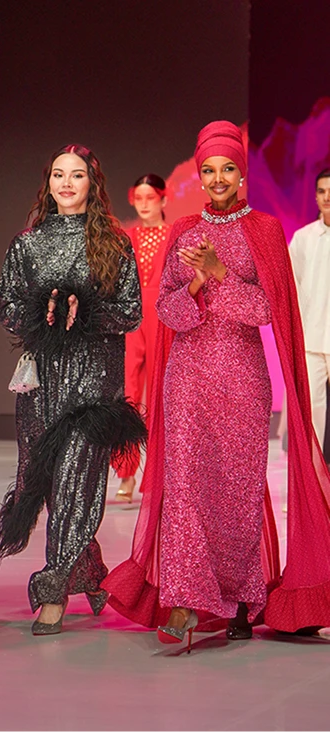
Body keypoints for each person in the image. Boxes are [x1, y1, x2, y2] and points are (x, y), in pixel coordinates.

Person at [104, 121, 330, 647]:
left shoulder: (265, 230)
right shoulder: (184, 229)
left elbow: (268, 310)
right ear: (201, 176)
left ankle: (241, 600)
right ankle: (186, 601)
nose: (219, 178)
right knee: (185, 486)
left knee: (238, 492)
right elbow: (167, 310)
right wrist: (197, 283)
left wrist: (219, 273)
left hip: (243, 380)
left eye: (228, 168)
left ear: (242, 173)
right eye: (209, 170)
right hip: (188, 377)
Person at [0, 144, 144, 635]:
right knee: (57, 486)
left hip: (94, 381)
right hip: (41, 383)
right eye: (58, 174)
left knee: (78, 478)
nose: (66, 183)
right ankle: (90, 571)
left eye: (77, 175)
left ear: (92, 184)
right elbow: (8, 307)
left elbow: (132, 311)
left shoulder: (114, 244)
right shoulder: (27, 244)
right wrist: (44, 314)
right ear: (48, 182)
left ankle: (53, 589)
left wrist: (88, 314)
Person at [114, 174, 172, 502]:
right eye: (139, 198)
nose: (145, 204)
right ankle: (126, 472)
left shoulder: (175, 235)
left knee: (161, 394)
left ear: (163, 200)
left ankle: (157, 475)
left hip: (163, 319)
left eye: (151, 197)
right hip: (133, 318)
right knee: (129, 391)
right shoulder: (128, 237)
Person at [288, 168, 330, 449]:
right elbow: (293, 285)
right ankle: (313, 471)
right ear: (315, 196)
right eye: (322, 191)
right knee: (312, 412)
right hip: (311, 339)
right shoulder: (303, 238)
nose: (327, 197)